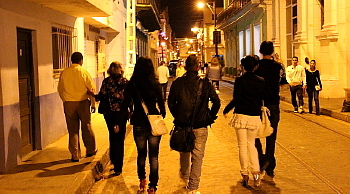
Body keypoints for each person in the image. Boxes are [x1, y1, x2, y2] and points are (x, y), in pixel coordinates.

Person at [168, 54, 221, 194]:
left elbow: (171, 103)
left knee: (184, 150)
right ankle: (193, 187)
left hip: (182, 125)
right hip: (200, 125)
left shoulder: (178, 83)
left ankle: (185, 176)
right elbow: (216, 102)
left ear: (185, 67)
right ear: (198, 67)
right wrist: (209, 117)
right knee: (198, 156)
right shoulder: (205, 83)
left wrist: (178, 116)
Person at [117, 57, 165, 194]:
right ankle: (153, 186)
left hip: (138, 122)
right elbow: (162, 104)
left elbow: (125, 105)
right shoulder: (155, 83)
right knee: (154, 156)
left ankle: (142, 181)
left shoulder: (132, 84)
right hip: (153, 121)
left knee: (141, 154)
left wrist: (119, 122)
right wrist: (161, 113)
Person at [223, 55, 266, 187]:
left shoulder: (240, 80)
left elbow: (236, 99)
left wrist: (226, 109)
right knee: (251, 145)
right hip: (254, 116)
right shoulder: (261, 81)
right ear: (256, 66)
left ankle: (245, 174)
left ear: (243, 67)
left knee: (242, 146)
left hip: (241, 115)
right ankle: (257, 176)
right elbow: (262, 99)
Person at [57, 52, 97, 162]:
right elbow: (92, 89)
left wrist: (65, 100)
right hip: (83, 103)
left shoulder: (64, 73)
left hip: (69, 103)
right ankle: (90, 150)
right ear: (81, 61)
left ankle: (75, 154)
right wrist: (93, 104)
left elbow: (60, 89)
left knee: (72, 130)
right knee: (86, 126)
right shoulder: (84, 72)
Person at [254, 41, 284, 184]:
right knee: (271, 136)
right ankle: (270, 164)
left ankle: (261, 159)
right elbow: (283, 83)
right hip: (273, 104)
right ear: (272, 51)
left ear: (260, 51)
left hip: (259, 105)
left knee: (256, 135)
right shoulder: (278, 66)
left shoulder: (256, 66)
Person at [95, 61, 129, 175]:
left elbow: (101, 96)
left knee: (112, 136)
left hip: (109, 114)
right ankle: (119, 166)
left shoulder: (107, 82)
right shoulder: (125, 82)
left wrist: (92, 94)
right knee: (120, 138)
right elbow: (129, 99)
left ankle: (114, 160)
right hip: (122, 114)